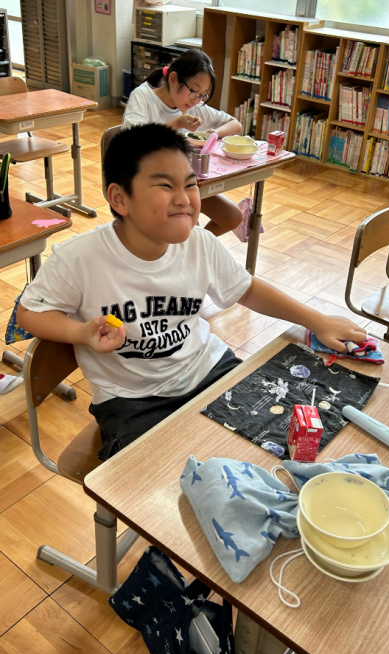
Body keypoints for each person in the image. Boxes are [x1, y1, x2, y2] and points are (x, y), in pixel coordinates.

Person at [17, 124, 366, 461]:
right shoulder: (79, 258)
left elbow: (246, 290)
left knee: (275, 440)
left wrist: (315, 320)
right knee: (160, 477)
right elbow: (29, 312)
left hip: (208, 369)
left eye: (190, 184)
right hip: (132, 401)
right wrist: (80, 332)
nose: (185, 199)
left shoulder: (200, 243)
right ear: (120, 198)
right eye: (165, 186)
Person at [122, 49, 243, 237]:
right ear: (173, 79)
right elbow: (132, 142)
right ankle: (182, 246)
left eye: (203, 94)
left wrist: (213, 133)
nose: (197, 100)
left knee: (232, 217)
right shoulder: (143, 97)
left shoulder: (193, 106)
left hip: (183, 185)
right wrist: (176, 124)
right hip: (147, 185)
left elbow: (235, 124)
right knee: (187, 224)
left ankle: (190, 248)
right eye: (194, 91)